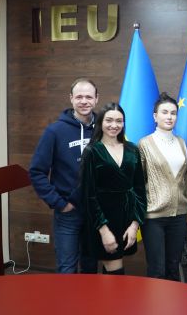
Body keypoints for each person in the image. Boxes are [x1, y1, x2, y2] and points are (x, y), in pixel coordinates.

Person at [29, 78, 99, 274]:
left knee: (90, 267)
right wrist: (59, 203)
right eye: (79, 97)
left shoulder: (104, 129)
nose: (84, 101)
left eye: (88, 97)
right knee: (67, 268)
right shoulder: (55, 131)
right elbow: (36, 171)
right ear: (71, 98)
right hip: (68, 212)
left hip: (96, 212)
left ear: (96, 99)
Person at [80, 103, 147, 275]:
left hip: (126, 220)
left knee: (111, 273)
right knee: (116, 272)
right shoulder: (91, 152)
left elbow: (140, 190)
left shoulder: (132, 149)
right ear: (100, 122)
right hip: (101, 221)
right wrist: (104, 231)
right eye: (109, 120)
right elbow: (88, 195)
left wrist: (134, 225)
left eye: (119, 121)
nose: (114, 125)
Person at [138, 93, 187, 281]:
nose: (169, 117)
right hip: (153, 217)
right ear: (155, 116)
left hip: (179, 216)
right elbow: (138, 182)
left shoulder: (182, 143)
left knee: (173, 268)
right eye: (164, 112)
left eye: (173, 113)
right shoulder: (144, 144)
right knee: (157, 270)